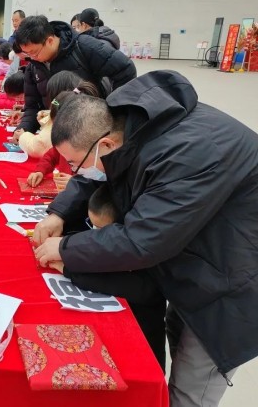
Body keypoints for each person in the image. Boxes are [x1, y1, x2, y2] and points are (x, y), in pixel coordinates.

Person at [33, 70, 258, 406]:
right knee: (176, 341)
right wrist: (59, 213)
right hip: (194, 258)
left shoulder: (188, 154)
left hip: (230, 284)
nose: (74, 172)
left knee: (189, 389)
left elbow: (143, 240)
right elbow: (100, 170)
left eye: (73, 163)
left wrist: (65, 247)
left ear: (105, 145)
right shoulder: (124, 120)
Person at [57, 184, 167, 372]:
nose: (93, 236)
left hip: (142, 338)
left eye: (101, 231)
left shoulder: (148, 253)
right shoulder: (104, 228)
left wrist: (69, 270)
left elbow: (137, 287)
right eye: (91, 225)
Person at [12, 15, 136, 136]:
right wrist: (24, 129)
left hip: (90, 126)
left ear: (49, 41)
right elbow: (32, 105)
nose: (32, 58)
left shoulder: (84, 46)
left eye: (34, 53)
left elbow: (125, 69)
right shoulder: (33, 66)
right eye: (27, 54)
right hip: (59, 130)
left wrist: (113, 112)